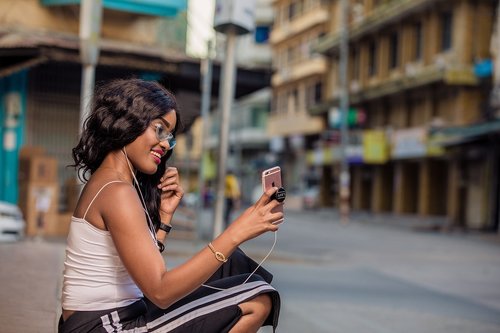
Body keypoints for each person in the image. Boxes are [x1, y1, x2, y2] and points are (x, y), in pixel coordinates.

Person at [59, 79, 283, 333]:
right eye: (159, 129)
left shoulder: (114, 183)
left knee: (235, 267)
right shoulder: (117, 191)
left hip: (114, 316)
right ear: (127, 122)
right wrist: (237, 232)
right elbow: (160, 291)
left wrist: (164, 218)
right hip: (104, 326)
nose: (166, 144)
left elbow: (138, 273)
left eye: (170, 136)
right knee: (256, 298)